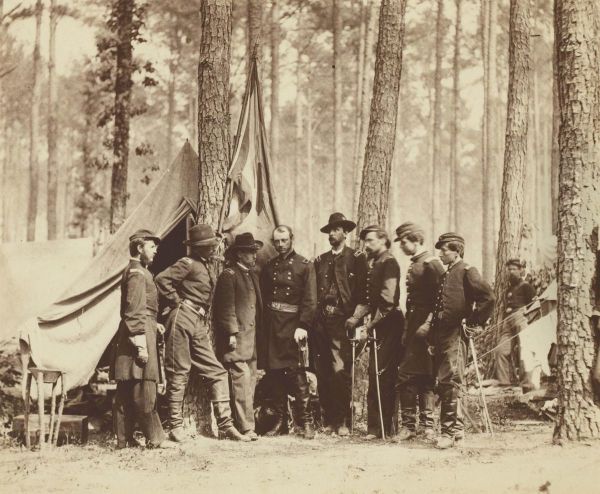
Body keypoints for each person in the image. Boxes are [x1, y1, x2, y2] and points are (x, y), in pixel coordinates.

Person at [155, 224, 250, 443]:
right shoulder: (187, 263)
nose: (212, 248)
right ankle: (175, 426)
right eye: (207, 245)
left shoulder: (205, 264)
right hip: (181, 318)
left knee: (217, 371)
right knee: (178, 372)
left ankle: (225, 425)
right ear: (197, 247)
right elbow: (161, 280)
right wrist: (177, 301)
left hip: (197, 321)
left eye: (212, 244)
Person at [430, 233, 495, 449]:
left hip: (456, 334)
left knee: (450, 381)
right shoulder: (446, 274)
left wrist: (473, 321)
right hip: (442, 334)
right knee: (446, 382)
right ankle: (457, 432)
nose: (440, 254)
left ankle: (448, 434)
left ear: (456, 251)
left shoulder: (467, 271)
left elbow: (488, 298)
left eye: (444, 250)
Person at [111, 229, 174, 449]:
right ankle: (155, 438)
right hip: (138, 333)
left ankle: (124, 439)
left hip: (137, 329)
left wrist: (152, 322)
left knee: (127, 390)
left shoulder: (136, 270)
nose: (156, 251)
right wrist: (140, 344)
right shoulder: (138, 273)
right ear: (139, 248)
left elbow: (138, 307)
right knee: (144, 389)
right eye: (152, 247)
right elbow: (133, 310)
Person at [258, 225, 317, 439]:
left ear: (292, 239)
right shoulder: (269, 266)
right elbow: (264, 297)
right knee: (274, 375)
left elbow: (310, 300)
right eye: (277, 241)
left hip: (293, 327)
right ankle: (280, 423)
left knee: (297, 374)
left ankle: (307, 422)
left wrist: (303, 325)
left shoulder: (304, 265)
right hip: (272, 326)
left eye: (284, 240)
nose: (281, 245)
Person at [345, 225, 403, 439]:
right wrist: (356, 318)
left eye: (370, 240)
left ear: (383, 240)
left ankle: (386, 428)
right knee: (375, 373)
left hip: (390, 324)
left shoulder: (389, 263)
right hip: (379, 324)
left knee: (383, 374)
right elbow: (369, 300)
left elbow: (388, 302)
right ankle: (374, 428)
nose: (366, 245)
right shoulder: (374, 263)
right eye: (365, 241)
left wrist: (370, 325)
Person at [313, 213, 367, 436]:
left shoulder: (357, 258)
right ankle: (328, 420)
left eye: (336, 229)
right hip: (321, 323)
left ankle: (343, 420)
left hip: (343, 322)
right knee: (322, 370)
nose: (332, 234)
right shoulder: (320, 260)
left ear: (345, 232)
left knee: (340, 370)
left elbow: (364, 294)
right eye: (330, 230)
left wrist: (356, 319)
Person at [394, 222, 444, 441]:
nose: (401, 246)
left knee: (414, 375)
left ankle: (420, 426)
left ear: (415, 240)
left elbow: (442, 298)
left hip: (426, 328)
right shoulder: (417, 262)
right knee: (420, 375)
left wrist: (428, 324)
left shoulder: (431, 264)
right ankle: (419, 426)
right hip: (414, 324)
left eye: (404, 242)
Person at [213, 232, 263, 441]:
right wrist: (231, 333)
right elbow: (226, 308)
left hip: (250, 340)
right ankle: (246, 427)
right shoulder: (229, 275)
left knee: (249, 382)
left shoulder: (252, 275)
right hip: (237, 339)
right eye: (250, 252)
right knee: (241, 381)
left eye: (254, 252)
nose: (254, 256)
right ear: (240, 254)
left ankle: (246, 424)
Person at [494, 258, 536, 388]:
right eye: (509, 269)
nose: (511, 272)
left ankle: (526, 384)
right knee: (501, 350)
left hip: (521, 319)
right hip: (507, 321)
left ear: (521, 270)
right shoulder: (509, 289)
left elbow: (536, 305)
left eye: (514, 269)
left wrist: (527, 319)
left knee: (525, 349)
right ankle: (504, 383)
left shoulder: (526, 286)